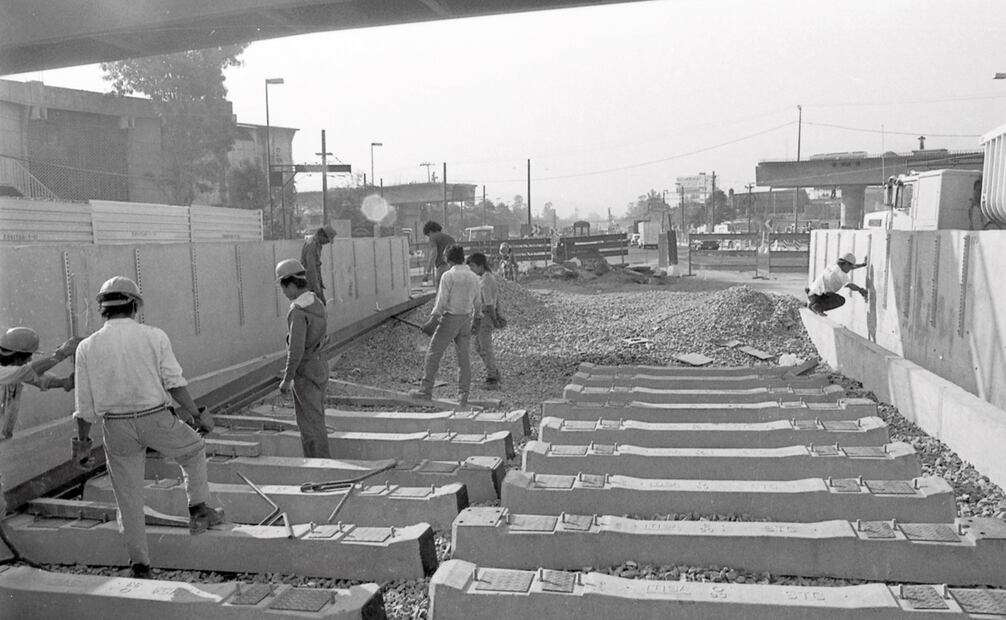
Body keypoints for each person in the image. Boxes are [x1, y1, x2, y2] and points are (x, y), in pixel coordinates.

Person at [73, 276, 222, 580]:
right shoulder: (154, 337)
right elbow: (175, 383)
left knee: (128, 499)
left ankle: (140, 565)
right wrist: (197, 415)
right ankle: (198, 509)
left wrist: (82, 444)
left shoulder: (87, 347)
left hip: (116, 427)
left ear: (102, 309)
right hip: (155, 418)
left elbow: (84, 408)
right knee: (193, 450)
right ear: (135, 304)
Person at [409, 244, 480, 406]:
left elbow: (441, 302)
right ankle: (463, 396)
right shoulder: (473, 277)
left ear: (448, 259)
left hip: (450, 318)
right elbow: (478, 302)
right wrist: (477, 319)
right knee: (463, 359)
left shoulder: (448, 276)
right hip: (466, 319)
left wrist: (432, 321)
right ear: (462, 258)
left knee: (433, 353)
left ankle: (425, 390)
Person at [275, 259, 331, 459]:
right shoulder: (317, 302)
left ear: (290, 283)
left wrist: (287, 379)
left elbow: (296, 349)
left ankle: (320, 467)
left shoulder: (298, 312)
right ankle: (322, 463)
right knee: (317, 418)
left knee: (309, 425)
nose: (284, 293)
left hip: (305, 372)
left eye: (283, 288)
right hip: (320, 366)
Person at [0, 327, 79, 439]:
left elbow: (41, 379)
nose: (29, 360)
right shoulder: (6, 372)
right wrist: (61, 354)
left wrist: (65, 382)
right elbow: (30, 371)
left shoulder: (14, 371)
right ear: (17, 357)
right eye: (28, 357)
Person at [466, 252, 501, 388]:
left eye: (473, 267)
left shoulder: (486, 280)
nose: (472, 271)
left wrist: (494, 319)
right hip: (482, 316)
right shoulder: (484, 278)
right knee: (479, 346)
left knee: (485, 347)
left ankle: (492, 378)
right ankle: (493, 371)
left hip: (485, 317)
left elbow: (489, 303)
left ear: (480, 266)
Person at [301, 224, 337, 305]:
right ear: (322, 235)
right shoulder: (311, 245)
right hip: (309, 286)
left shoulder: (317, 245)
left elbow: (317, 268)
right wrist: (317, 289)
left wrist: (320, 286)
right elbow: (311, 269)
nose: (327, 243)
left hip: (314, 285)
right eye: (327, 240)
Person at [422, 221, 455, 288]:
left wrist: (427, 272)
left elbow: (433, 253)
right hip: (454, 267)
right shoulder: (450, 238)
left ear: (430, 231)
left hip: (442, 267)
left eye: (428, 235)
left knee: (441, 292)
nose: (429, 237)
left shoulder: (433, 237)